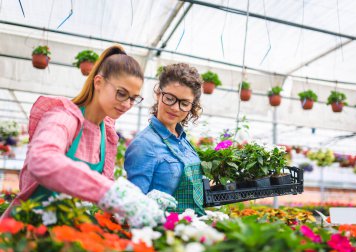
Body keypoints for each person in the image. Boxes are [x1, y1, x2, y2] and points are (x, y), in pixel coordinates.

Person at [1, 45, 176, 228]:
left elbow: (101, 185)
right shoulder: (64, 117)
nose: (126, 104)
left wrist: (139, 200)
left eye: (133, 98)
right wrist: (112, 193)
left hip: (61, 233)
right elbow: (41, 159)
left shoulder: (105, 133)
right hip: (23, 230)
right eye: (121, 93)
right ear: (98, 82)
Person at [124, 63, 205, 215]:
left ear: (191, 106)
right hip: (162, 232)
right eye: (170, 98)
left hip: (192, 229)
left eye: (184, 103)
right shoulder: (144, 145)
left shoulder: (183, 141)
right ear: (158, 94)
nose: (175, 107)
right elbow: (133, 205)